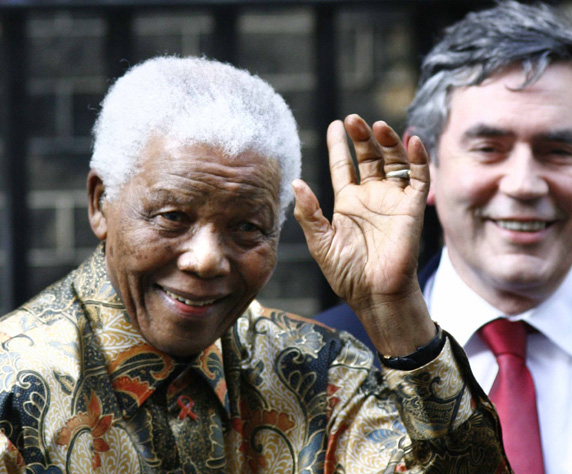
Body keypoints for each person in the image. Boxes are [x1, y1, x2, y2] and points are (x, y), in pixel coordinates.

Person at [0, 56, 508, 473]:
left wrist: (394, 310)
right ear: (99, 202)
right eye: (173, 216)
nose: (206, 259)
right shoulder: (12, 390)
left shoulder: (320, 376)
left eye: (246, 228)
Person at [316, 1, 572, 473]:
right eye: (489, 149)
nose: (524, 184)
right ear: (421, 167)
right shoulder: (323, 360)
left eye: (558, 150)